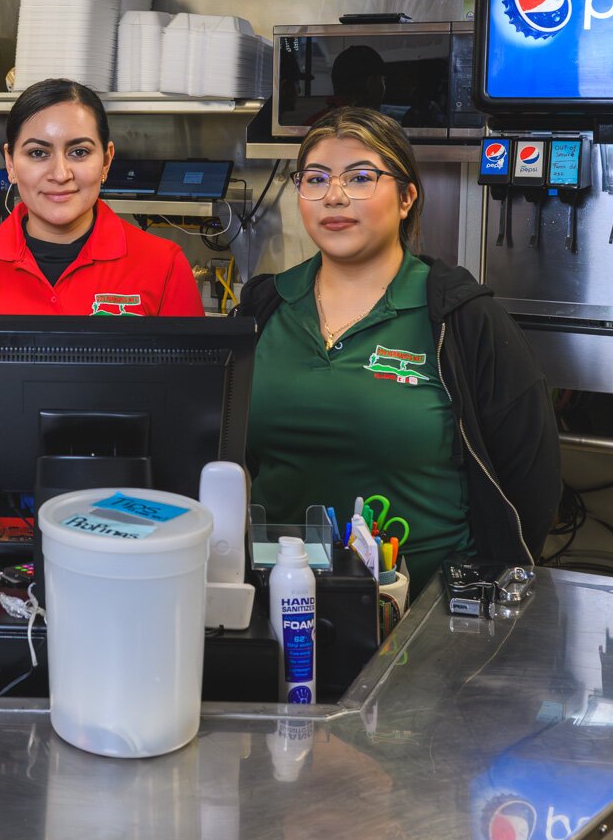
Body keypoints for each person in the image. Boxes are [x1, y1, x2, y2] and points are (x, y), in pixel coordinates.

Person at [238, 107, 559, 592]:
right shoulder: (264, 307)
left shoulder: (462, 319)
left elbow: (530, 487)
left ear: (407, 197)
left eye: (361, 177)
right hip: (278, 598)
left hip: (428, 617)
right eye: (316, 178)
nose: (335, 196)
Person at [0, 78, 205, 510]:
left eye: (79, 152)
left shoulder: (162, 265)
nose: (60, 173)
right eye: (37, 153)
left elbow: (192, 423)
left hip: (128, 528)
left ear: (106, 161)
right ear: (10, 163)